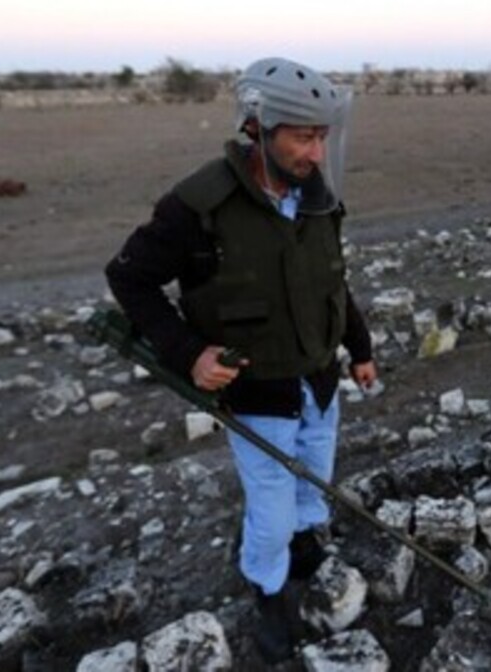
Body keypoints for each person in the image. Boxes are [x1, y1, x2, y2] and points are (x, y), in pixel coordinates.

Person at [105, 56, 376, 664]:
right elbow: (129, 279)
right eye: (304, 136)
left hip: (318, 382)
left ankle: (304, 553)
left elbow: (332, 284)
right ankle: (268, 588)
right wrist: (189, 354)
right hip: (257, 398)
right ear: (259, 126)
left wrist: (359, 349)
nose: (316, 152)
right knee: (272, 514)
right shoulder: (199, 206)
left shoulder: (317, 198)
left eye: (323, 136)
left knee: (315, 483)